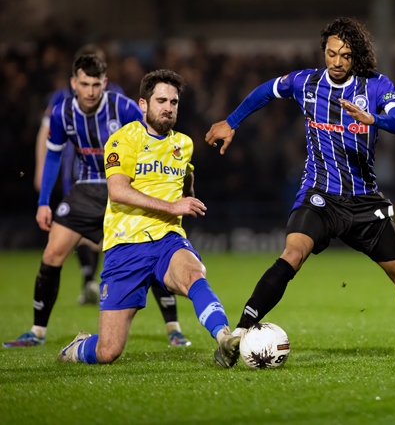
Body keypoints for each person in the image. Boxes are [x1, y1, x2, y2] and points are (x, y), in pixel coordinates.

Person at [205, 17, 395, 360]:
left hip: (363, 202)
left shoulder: (375, 86)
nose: (337, 62)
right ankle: (236, 336)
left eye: (345, 55)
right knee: (291, 255)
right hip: (320, 196)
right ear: (323, 52)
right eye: (331, 53)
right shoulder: (306, 83)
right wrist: (231, 121)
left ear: (356, 57)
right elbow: (267, 90)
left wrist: (374, 119)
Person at [3, 54, 190, 349]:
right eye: (84, 84)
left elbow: (154, 141)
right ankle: (37, 332)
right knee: (52, 253)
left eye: (96, 84)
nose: (90, 91)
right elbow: (53, 155)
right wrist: (43, 202)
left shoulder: (123, 107)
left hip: (125, 190)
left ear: (104, 83)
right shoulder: (62, 112)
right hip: (86, 190)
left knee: (149, 249)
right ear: (73, 83)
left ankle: (174, 329)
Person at [57, 69, 240, 367]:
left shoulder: (184, 143)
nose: (168, 107)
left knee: (195, 274)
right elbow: (117, 191)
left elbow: (186, 176)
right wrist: (173, 207)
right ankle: (77, 349)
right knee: (108, 351)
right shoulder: (123, 140)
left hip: (167, 240)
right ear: (143, 105)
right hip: (126, 246)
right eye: (161, 100)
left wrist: (187, 194)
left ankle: (224, 338)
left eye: (174, 102)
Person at [33, 44, 123, 305]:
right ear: (76, 78)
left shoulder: (116, 97)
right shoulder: (61, 100)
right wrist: (40, 168)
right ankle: (90, 282)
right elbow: (45, 133)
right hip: (75, 170)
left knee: (105, 234)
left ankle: (95, 282)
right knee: (79, 231)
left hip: (109, 175)